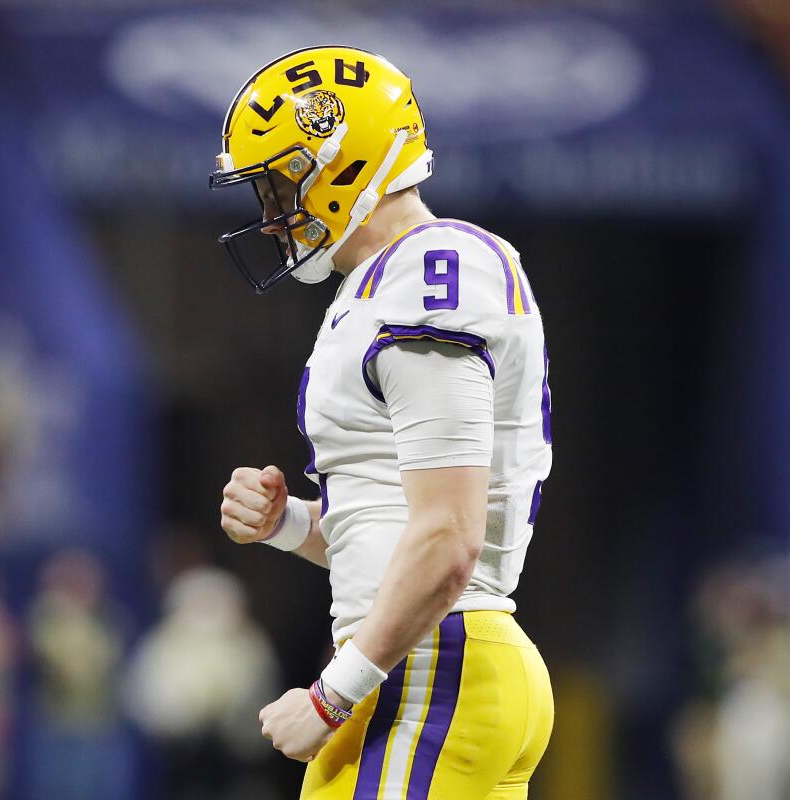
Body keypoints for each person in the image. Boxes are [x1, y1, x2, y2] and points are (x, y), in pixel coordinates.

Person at [209, 46, 555, 799]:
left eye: (277, 189)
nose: (269, 221)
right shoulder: (376, 288)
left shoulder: (429, 271)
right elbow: (403, 533)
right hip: (444, 662)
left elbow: (448, 539)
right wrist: (291, 524)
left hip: (431, 670)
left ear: (338, 165)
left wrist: (332, 696)